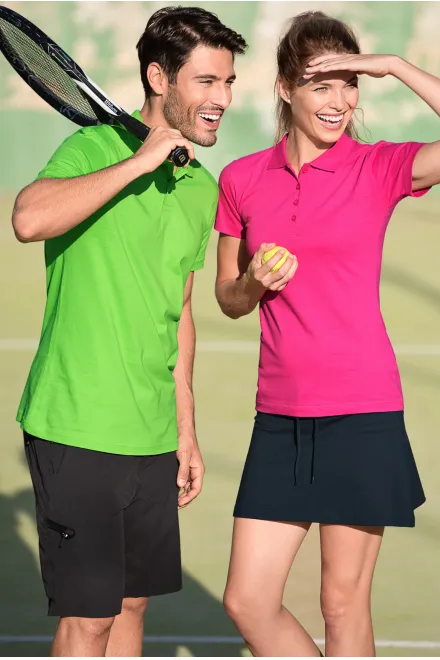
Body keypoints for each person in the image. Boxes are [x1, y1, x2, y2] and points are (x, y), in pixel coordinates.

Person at [12, 6, 246, 657]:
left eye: (228, 82)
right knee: (89, 617)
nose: (223, 99)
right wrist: (138, 164)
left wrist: (186, 428)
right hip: (77, 423)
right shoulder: (91, 149)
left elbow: (180, 308)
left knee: (133, 603)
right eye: (206, 81)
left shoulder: (200, 187)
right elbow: (28, 218)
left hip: (152, 431)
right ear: (158, 78)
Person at [214, 10, 440, 657]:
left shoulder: (379, 167)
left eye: (350, 83)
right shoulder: (241, 179)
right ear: (285, 89)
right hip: (280, 417)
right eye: (321, 85)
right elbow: (228, 298)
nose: (339, 101)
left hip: (362, 412)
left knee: (342, 606)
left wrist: (393, 66)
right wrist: (253, 281)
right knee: (247, 600)